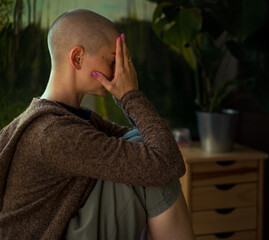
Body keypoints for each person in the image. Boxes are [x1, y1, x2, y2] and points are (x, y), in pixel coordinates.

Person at [0, 9, 194, 239]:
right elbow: (167, 161)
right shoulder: (53, 133)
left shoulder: (69, 117)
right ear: (77, 58)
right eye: (113, 60)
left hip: (70, 225)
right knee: (153, 170)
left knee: (141, 149)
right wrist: (130, 95)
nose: (118, 72)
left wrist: (129, 96)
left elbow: (153, 147)